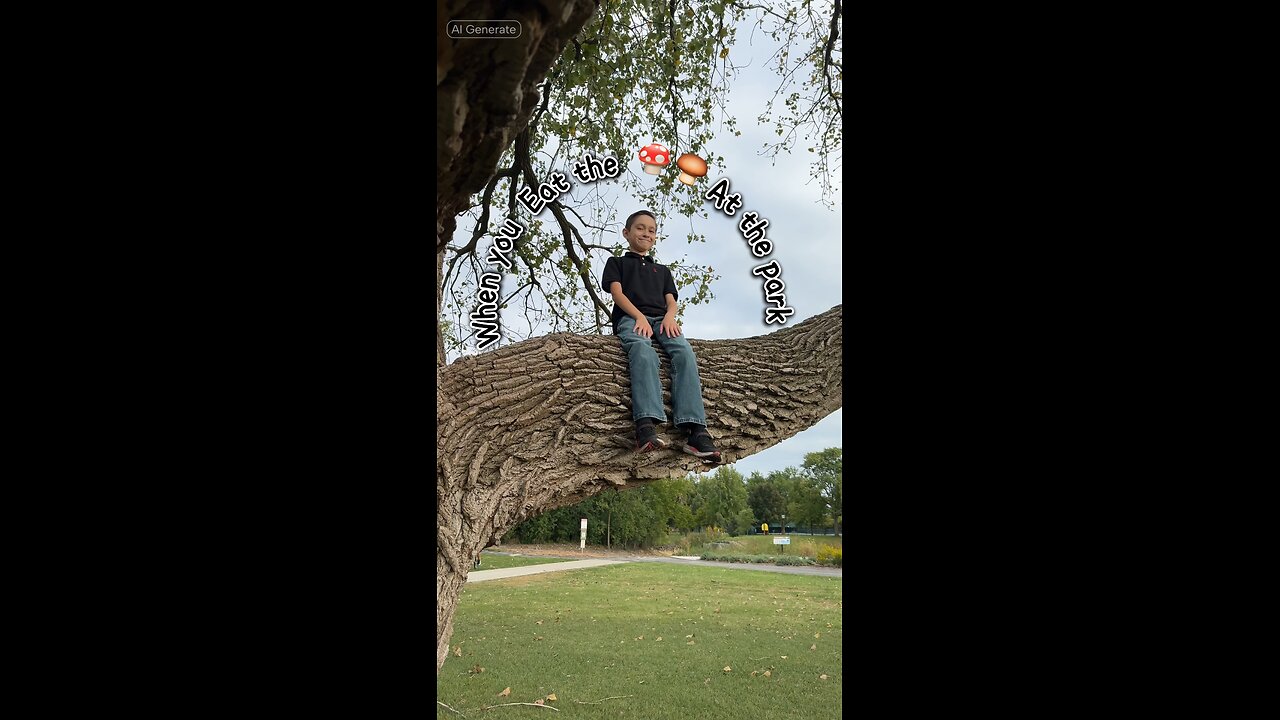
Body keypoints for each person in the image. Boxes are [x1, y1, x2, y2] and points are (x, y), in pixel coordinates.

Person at [600, 210, 721, 463]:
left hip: (662, 320)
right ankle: (645, 426)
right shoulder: (617, 263)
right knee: (643, 352)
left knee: (684, 353)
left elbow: (671, 301)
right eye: (640, 228)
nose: (646, 233)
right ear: (626, 233)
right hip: (632, 318)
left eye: (651, 230)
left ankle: (695, 431)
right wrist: (639, 317)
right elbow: (617, 294)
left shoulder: (663, 271)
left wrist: (669, 317)